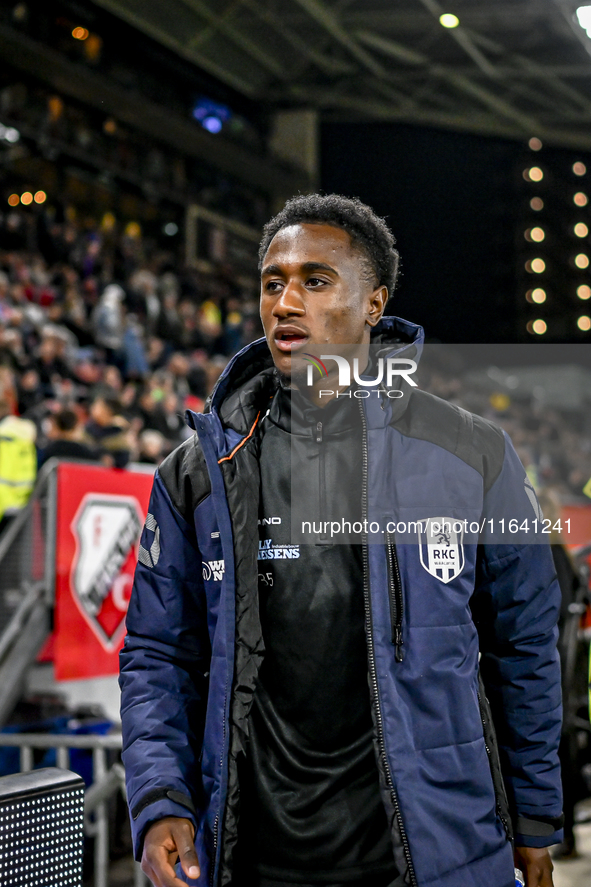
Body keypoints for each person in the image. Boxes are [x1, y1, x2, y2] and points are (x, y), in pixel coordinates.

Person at [120, 195, 563, 887]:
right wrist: (158, 796)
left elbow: (524, 641)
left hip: (431, 852)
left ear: (372, 303)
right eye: (272, 282)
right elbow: (156, 651)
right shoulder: (198, 472)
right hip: (250, 856)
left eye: (314, 280)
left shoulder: (471, 452)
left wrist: (534, 813)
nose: (285, 301)